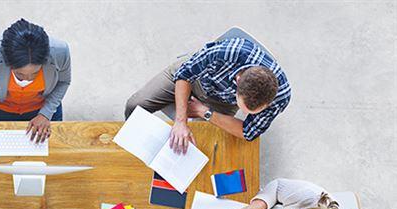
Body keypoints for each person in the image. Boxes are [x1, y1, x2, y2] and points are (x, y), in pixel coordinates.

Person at [125, 37, 291, 153]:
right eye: (244, 108)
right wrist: (180, 121)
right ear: (238, 80)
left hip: (221, 103)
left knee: (197, 146)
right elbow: (184, 74)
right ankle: (131, 140)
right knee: (135, 104)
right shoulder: (225, 52)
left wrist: (203, 111)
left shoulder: (281, 97)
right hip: (194, 78)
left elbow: (248, 132)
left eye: (250, 112)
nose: (246, 115)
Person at [0, 19, 71, 149]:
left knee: (47, 159)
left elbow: (63, 81)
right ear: (7, 62)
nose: (27, 80)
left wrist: (45, 114)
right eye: (19, 74)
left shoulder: (60, 51)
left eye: (34, 73)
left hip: (42, 109)